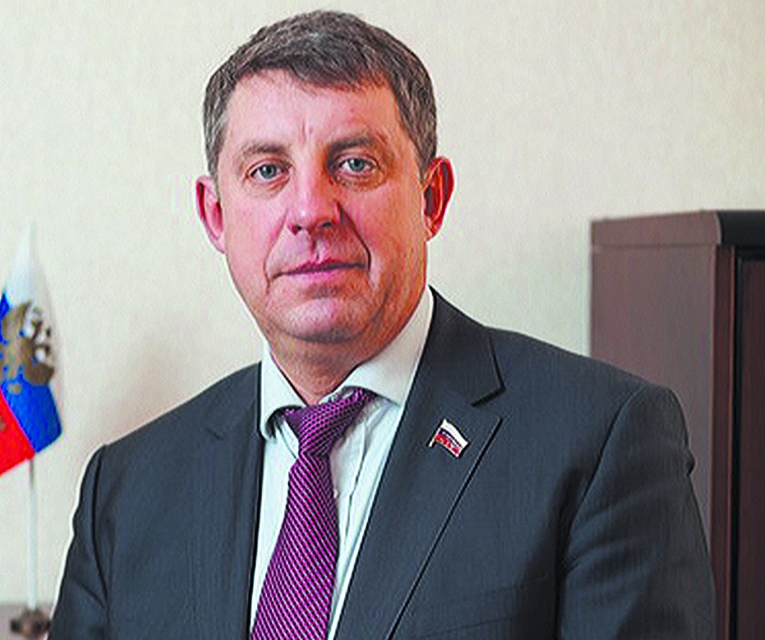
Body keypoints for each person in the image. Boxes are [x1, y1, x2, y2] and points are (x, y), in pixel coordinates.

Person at [50, 10, 713, 639]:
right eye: (268, 171)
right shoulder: (127, 488)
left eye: (355, 164)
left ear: (431, 198)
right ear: (216, 215)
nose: (310, 211)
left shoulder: (601, 443)